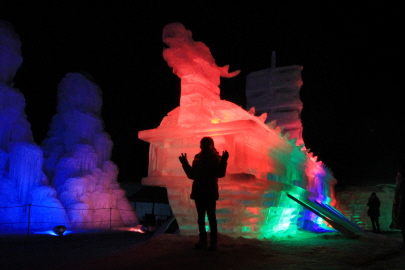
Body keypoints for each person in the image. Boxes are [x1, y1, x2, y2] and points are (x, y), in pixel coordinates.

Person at [178, 137, 229, 251]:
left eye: (206, 144)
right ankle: (203, 240)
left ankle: (213, 242)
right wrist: (185, 163)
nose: (204, 146)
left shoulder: (216, 158)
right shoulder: (197, 158)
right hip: (199, 191)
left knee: (211, 217)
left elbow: (220, 174)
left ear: (211, 145)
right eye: (202, 144)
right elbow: (192, 175)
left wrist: (224, 161)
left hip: (209, 191)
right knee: (201, 218)